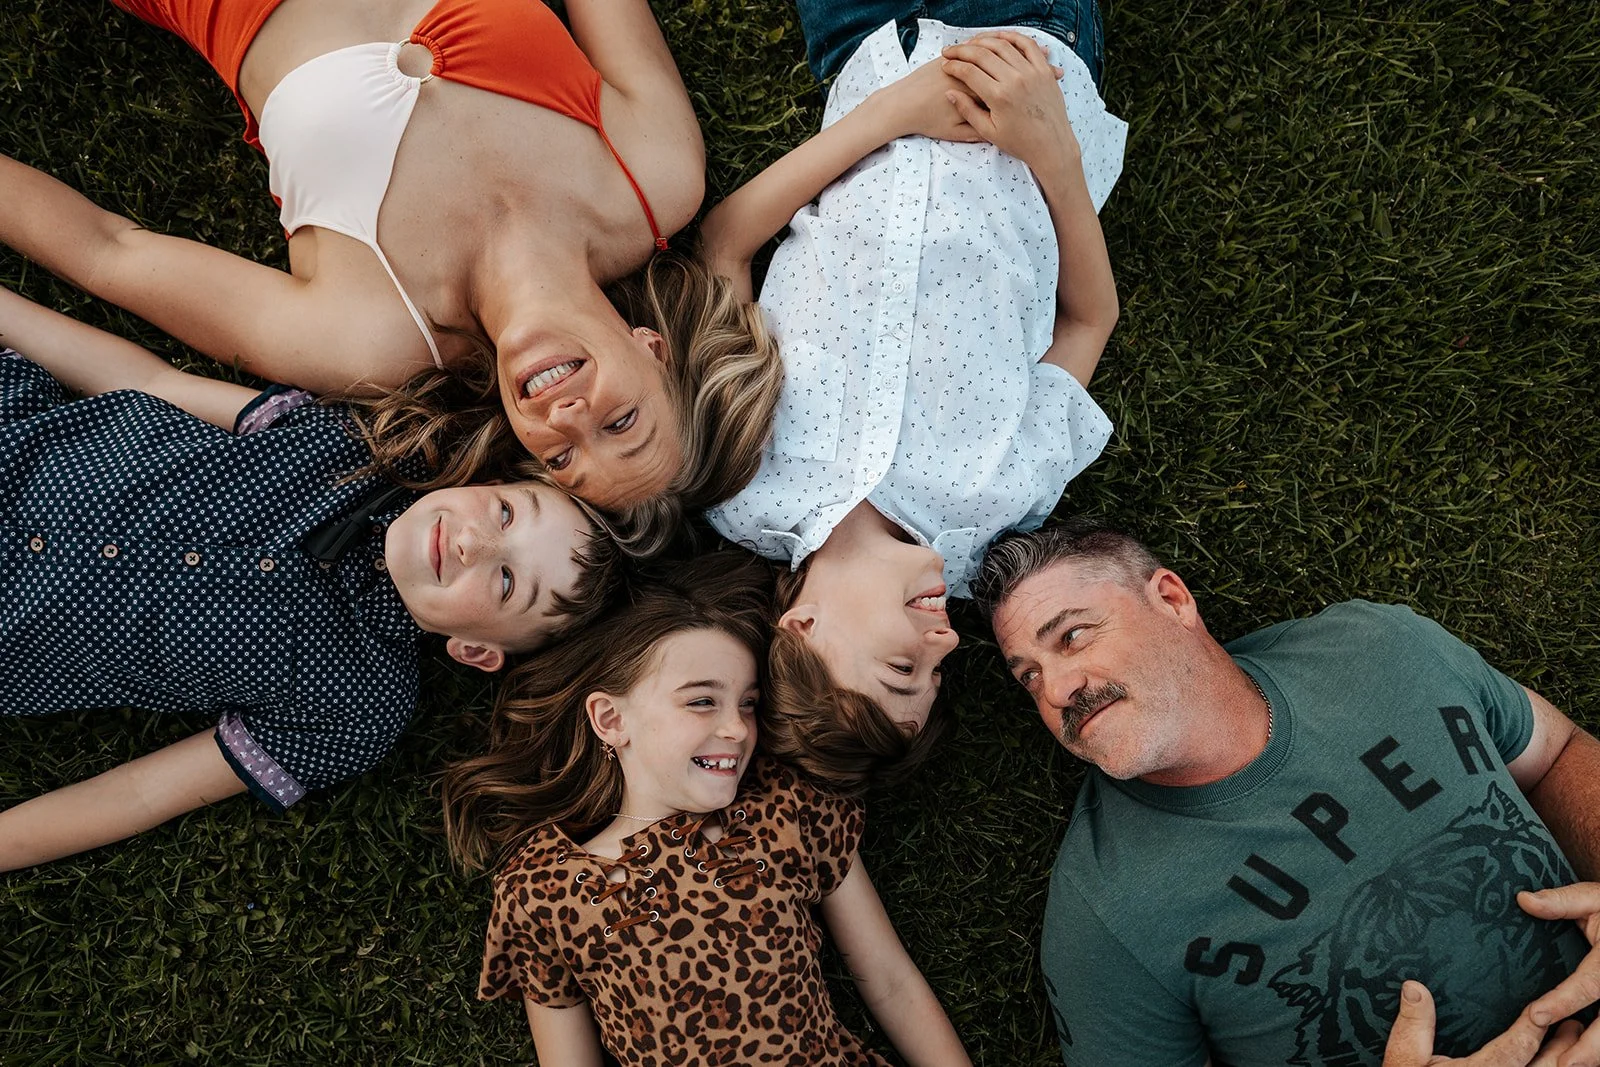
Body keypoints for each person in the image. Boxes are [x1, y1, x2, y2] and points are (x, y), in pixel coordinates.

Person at [0, 0, 784, 527]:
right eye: (620, 422)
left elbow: (109, 250)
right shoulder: (653, 179)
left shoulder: (367, 337)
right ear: (654, 350)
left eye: (560, 456)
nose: (568, 418)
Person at [0, 287, 620, 870]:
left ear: (476, 651)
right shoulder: (355, 446)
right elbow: (156, 383)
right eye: (506, 513)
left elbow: (139, 793)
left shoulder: (360, 707)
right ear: (489, 483)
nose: (472, 542)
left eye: (507, 582)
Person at [970, 519, 1600, 1066]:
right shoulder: (1103, 916)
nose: (1058, 692)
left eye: (1072, 636)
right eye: (1030, 677)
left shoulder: (1380, 648)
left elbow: (1556, 754)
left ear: (1171, 600)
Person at [701, 0, 1126, 792]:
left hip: (867, 49)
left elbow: (724, 244)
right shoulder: (995, 505)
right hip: (1024, 54)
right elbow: (1089, 320)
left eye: (902, 667)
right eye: (936, 674)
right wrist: (1053, 152)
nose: (946, 644)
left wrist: (892, 111)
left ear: (803, 626)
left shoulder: (740, 482)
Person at [441, 554, 971, 1066]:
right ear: (611, 719)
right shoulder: (542, 892)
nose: (737, 729)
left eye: (748, 703)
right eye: (701, 701)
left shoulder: (787, 808)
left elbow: (890, 981)